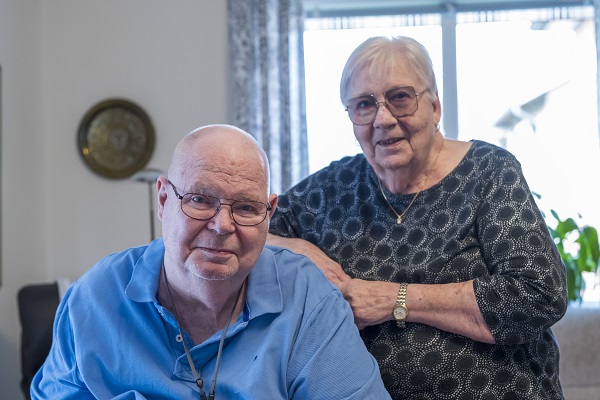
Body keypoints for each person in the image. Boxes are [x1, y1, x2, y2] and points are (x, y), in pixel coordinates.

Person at [268, 36, 568, 399]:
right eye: (364, 105)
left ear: (435, 107)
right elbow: (248, 226)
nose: (383, 118)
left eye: (400, 98)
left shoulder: (489, 171)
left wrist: (396, 299)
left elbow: (538, 295)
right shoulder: (331, 190)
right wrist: (299, 248)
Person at [31, 124, 391, 399]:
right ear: (162, 200)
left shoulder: (308, 299)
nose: (222, 226)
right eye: (200, 200)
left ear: (269, 213)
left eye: (247, 207)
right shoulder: (94, 299)